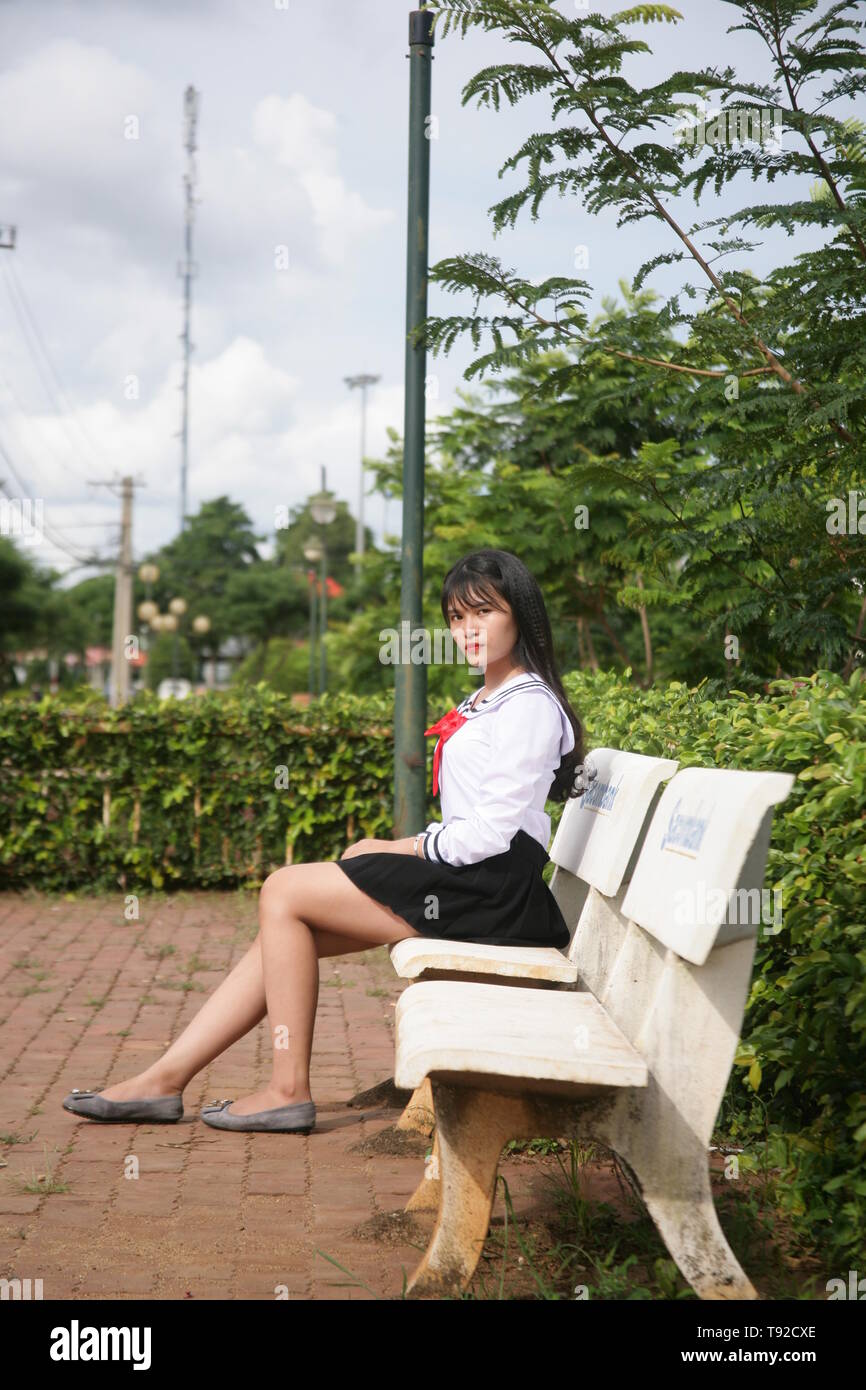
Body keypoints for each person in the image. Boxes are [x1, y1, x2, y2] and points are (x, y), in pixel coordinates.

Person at [62, 549, 585, 1136]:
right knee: (286, 928)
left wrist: (400, 850)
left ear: (521, 616)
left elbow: (492, 834)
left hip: (494, 891)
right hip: (475, 878)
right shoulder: (492, 699)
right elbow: (473, 823)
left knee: (284, 891)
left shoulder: (529, 705)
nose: (467, 629)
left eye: (483, 613)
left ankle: (286, 1090)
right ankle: (163, 1082)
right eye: (457, 617)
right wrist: (396, 842)